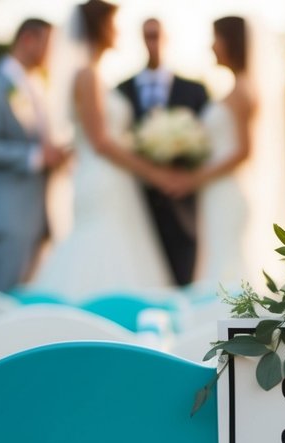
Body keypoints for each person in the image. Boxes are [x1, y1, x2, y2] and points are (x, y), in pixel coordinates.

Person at [31, 0, 176, 299]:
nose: (118, 31)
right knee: (100, 247)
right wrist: (154, 173)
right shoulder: (88, 75)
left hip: (110, 178)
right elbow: (101, 142)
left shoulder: (95, 75)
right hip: (102, 179)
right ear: (101, 28)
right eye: (114, 24)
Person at [168, 16, 285, 291]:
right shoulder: (238, 88)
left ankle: (232, 310)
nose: (211, 46)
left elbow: (244, 150)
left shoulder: (242, 91)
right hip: (219, 191)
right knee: (221, 258)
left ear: (230, 42)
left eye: (215, 39)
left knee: (228, 261)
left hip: (228, 191)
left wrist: (194, 178)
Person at [0, 18, 69, 292]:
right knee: (5, 301)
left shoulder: (42, 90)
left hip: (44, 217)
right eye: (50, 45)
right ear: (28, 40)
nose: (54, 54)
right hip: (8, 216)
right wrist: (36, 157)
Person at [118, 19, 209, 288]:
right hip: (135, 201)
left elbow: (207, 143)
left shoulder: (194, 90)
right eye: (147, 36)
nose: (153, 42)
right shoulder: (121, 90)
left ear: (167, 38)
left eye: (157, 35)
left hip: (183, 206)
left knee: (184, 276)